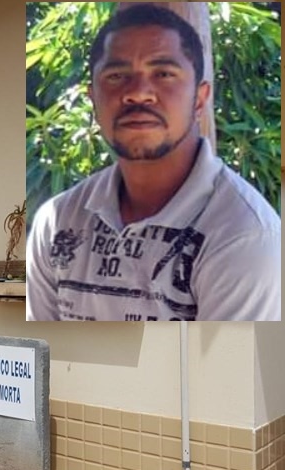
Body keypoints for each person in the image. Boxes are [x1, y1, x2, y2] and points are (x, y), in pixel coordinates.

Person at [26, 4, 281, 321]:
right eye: (117, 76)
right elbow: (43, 359)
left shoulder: (242, 233)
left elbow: (225, 371)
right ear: (92, 99)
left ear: (199, 99)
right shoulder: (57, 222)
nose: (138, 94)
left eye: (163, 74)